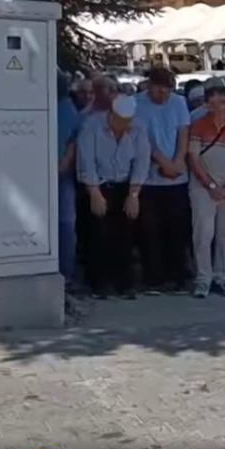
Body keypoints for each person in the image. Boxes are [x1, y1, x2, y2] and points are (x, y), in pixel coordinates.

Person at [76, 94, 150, 299]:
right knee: (99, 235)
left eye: (129, 122)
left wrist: (134, 194)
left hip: (125, 186)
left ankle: (124, 283)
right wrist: (94, 193)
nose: (126, 126)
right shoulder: (92, 126)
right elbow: (86, 160)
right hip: (99, 184)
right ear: (112, 115)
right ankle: (100, 284)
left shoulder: (138, 127)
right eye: (122, 121)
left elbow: (142, 161)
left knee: (125, 235)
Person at [187, 79, 225, 298]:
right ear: (209, 105)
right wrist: (211, 185)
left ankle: (222, 277)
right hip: (203, 189)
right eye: (222, 102)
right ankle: (203, 279)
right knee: (203, 234)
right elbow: (193, 159)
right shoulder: (198, 127)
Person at [135, 67, 192, 294]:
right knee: (151, 230)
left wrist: (178, 161)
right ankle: (153, 279)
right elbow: (143, 137)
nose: (163, 95)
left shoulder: (178, 103)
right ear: (150, 85)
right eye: (159, 90)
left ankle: (177, 276)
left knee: (177, 229)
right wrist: (163, 163)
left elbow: (183, 133)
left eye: (167, 91)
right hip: (149, 178)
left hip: (177, 176)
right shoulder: (137, 104)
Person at [56, 72, 82, 291]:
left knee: (65, 224)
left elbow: (73, 139)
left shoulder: (66, 106)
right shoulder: (68, 106)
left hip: (61, 174)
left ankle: (66, 274)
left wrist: (65, 162)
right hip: (51, 172)